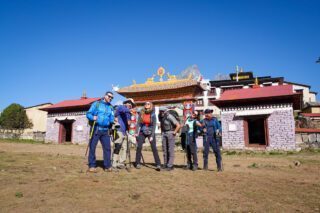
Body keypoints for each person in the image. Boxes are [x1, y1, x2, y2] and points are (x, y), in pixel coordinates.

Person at [86, 91, 115, 173]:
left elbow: (111, 117)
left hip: (106, 130)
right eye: (109, 96)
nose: (110, 98)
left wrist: (113, 121)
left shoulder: (111, 107)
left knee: (107, 148)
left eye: (112, 98)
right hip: (96, 129)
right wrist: (93, 117)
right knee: (92, 147)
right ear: (105, 96)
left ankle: (107, 166)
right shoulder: (96, 104)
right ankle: (92, 165)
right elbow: (88, 114)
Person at [135, 102, 161, 171]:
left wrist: (152, 135)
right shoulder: (141, 113)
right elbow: (138, 124)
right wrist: (136, 132)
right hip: (142, 131)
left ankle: (158, 164)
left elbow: (154, 125)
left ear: (151, 106)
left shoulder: (153, 114)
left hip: (150, 132)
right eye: (146, 104)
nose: (147, 105)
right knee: (139, 147)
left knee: (154, 148)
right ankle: (137, 163)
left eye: (148, 104)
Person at [112, 98, 135, 170]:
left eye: (131, 104)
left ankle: (121, 162)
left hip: (125, 132)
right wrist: (130, 110)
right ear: (125, 103)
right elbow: (122, 109)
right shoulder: (121, 107)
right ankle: (114, 163)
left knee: (125, 148)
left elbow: (128, 123)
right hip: (118, 130)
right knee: (117, 147)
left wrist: (129, 124)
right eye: (129, 103)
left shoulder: (128, 113)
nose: (130, 105)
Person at [158, 107, 181, 171]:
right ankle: (165, 164)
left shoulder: (170, 116)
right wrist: (162, 133)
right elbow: (162, 125)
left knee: (170, 150)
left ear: (166, 111)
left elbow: (178, 125)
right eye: (160, 111)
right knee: (164, 150)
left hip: (170, 133)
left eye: (162, 111)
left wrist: (174, 132)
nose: (161, 112)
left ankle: (170, 165)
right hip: (164, 134)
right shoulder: (160, 116)